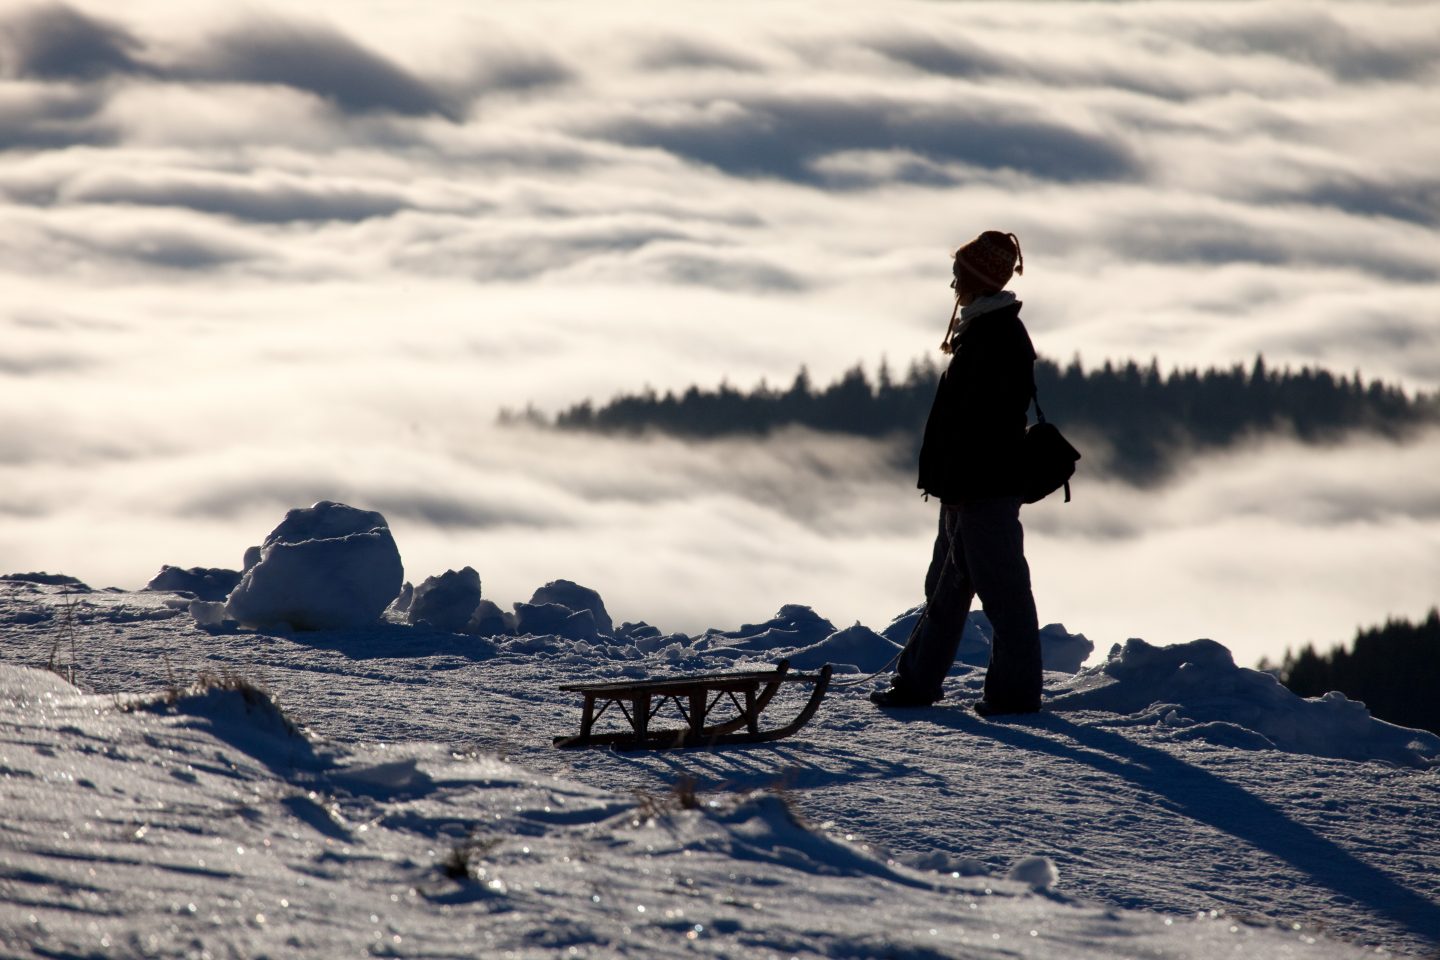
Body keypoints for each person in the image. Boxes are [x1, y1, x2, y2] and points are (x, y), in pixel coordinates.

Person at [870, 230, 1042, 716]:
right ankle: (916, 683)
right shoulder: (988, 330)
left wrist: (962, 483)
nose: (952, 285)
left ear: (979, 279)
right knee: (945, 592)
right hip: (967, 489)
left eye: (958, 275)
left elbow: (987, 424)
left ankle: (1014, 695)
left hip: (981, 490)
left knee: (1002, 593)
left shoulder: (994, 337)